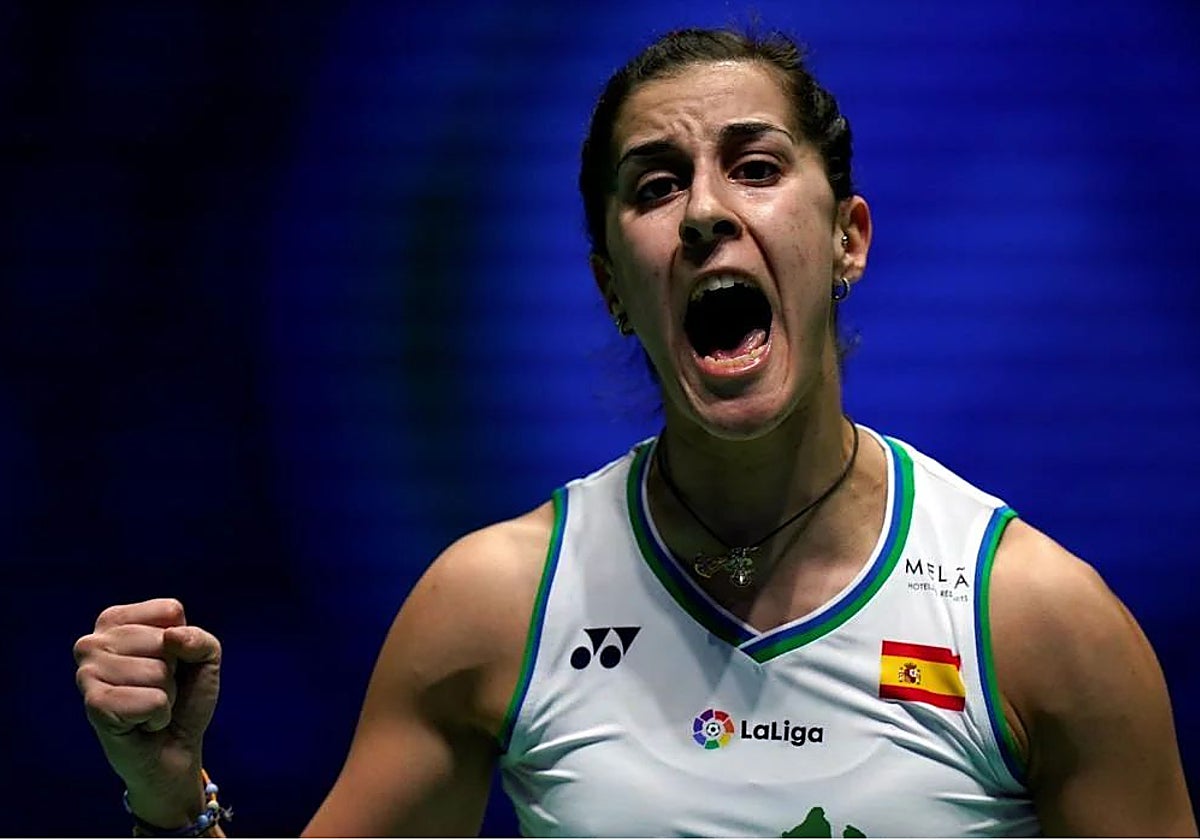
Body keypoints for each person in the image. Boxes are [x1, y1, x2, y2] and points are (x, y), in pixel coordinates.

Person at [73, 26, 1196, 838]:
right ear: (614, 285)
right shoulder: (495, 606)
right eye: (656, 186)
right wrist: (171, 801)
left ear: (847, 240)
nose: (705, 211)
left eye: (756, 168)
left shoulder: (1037, 622)